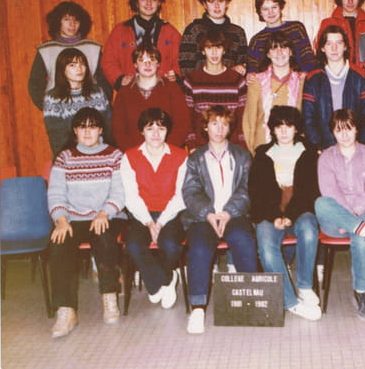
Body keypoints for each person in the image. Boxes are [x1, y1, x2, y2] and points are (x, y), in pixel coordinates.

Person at [46, 107, 125, 338]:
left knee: (104, 237)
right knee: (59, 244)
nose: (87, 132)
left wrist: (104, 213)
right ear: (75, 131)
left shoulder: (114, 155)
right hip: (73, 218)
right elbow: (56, 193)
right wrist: (61, 220)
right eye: (82, 127)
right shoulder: (65, 157)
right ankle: (66, 310)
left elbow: (120, 192)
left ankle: (109, 297)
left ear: (100, 130)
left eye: (92, 127)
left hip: (107, 215)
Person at [181, 105, 258, 335]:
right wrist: (208, 213)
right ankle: (197, 308)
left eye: (224, 124)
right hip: (203, 217)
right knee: (199, 248)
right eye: (214, 123)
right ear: (205, 127)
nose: (219, 128)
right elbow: (190, 192)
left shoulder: (242, 155)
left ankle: (250, 298)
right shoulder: (195, 157)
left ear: (230, 128)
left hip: (234, 215)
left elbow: (247, 189)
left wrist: (227, 212)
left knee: (243, 239)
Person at [314, 109, 365, 322]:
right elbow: (328, 192)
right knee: (320, 203)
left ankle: (361, 294)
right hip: (334, 220)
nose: (344, 135)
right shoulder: (326, 157)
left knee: (360, 238)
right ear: (332, 132)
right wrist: (346, 217)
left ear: (357, 129)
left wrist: (353, 217)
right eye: (339, 130)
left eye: (348, 129)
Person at [248, 106, 322, 321]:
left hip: (299, 209)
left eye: (289, 126)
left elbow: (310, 191)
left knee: (308, 230)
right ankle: (291, 303)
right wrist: (274, 217)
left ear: (296, 128)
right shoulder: (262, 154)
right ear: (272, 129)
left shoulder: (309, 152)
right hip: (269, 213)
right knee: (266, 245)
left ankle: (305, 286)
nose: (283, 131)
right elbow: (256, 193)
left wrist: (290, 215)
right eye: (279, 126)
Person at [120, 107, 187, 310]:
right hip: (141, 215)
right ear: (142, 131)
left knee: (171, 245)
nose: (156, 134)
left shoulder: (180, 156)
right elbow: (131, 196)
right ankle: (165, 280)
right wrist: (149, 222)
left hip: (172, 214)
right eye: (150, 129)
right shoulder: (129, 157)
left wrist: (162, 221)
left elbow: (181, 195)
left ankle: (158, 280)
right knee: (133, 245)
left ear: (167, 131)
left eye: (161, 128)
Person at [302, 25, 365, 149]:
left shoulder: (360, 76)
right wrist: (317, 147)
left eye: (339, 43)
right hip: (324, 148)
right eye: (329, 43)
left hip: (355, 147)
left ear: (345, 46)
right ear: (322, 48)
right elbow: (308, 119)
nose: (334, 48)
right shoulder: (312, 79)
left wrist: (362, 145)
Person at [101, 0, 182, 91]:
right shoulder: (120, 31)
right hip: (131, 91)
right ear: (136, 2)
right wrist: (119, 79)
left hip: (164, 90)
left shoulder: (170, 31)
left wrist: (175, 75)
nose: (149, 3)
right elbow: (108, 61)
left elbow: (180, 60)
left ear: (159, 3)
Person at [28, 0, 109, 109]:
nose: (72, 24)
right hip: (58, 107)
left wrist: (103, 102)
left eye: (76, 19)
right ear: (58, 22)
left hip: (91, 107)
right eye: (67, 19)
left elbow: (104, 78)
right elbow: (35, 82)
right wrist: (46, 106)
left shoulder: (93, 48)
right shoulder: (46, 50)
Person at [111, 43, 189, 151]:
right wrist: (135, 153)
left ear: (158, 64)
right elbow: (118, 130)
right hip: (134, 153)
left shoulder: (172, 88)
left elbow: (182, 124)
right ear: (135, 65)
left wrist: (165, 150)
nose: (147, 64)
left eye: (152, 60)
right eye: (142, 60)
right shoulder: (124, 92)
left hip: (168, 152)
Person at [181, 33, 248, 150]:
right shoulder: (192, 80)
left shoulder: (237, 80)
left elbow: (242, 117)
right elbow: (188, 117)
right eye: (209, 48)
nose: (214, 53)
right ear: (203, 51)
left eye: (218, 47)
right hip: (201, 147)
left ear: (224, 50)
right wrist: (192, 146)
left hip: (232, 147)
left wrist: (242, 147)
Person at [242, 33, 306, 154]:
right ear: (268, 54)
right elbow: (249, 120)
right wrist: (252, 151)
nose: (279, 52)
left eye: (284, 47)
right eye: (274, 48)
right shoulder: (256, 81)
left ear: (291, 52)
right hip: (262, 147)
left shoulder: (301, 81)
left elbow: (304, 118)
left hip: (294, 148)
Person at [42, 47, 113, 156]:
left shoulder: (97, 92)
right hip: (71, 156)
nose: (79, 68)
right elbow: (57, 139)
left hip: (101, 152)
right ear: (62, 69)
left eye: (82, 64)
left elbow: (109, 128)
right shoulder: (53, 98)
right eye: (72, 65)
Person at [178, 0, 248, 76]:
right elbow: (186, 68)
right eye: (211, 1)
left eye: (221, 1)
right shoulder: (194, 30)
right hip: (200, 84)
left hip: (230, 84)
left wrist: (240, 68)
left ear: (227, 3)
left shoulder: (238, 33)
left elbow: (243, 64)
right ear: (204, 4)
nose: (217, 6)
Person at [246, 0, 316, 74]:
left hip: (299, 77)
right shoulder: (257, 40)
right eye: (265, 9)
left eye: (274, 7)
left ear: (280, 7)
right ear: (260, 12)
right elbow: (252, 67)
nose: (270, 12)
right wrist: (251, 74)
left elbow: (308, 57)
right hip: (269, 81)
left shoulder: (296, 28)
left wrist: (304, 73)